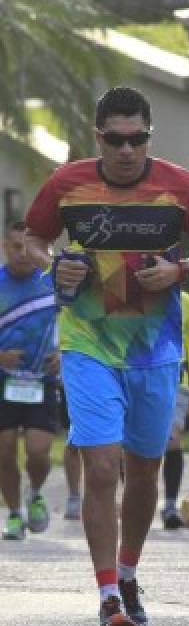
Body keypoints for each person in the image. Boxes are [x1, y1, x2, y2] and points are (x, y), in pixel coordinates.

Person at [24, 86, 189, 626]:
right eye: (115, 139)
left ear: (148, 137)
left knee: (144, 471)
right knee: (102, 467)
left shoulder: (181, 187)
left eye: (137, 139)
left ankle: (131, 573)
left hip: (155, 352)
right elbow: (34, 238)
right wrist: (55, 264)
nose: (126, 149)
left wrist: (180, 272)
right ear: (99, 138)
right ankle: (107, 594)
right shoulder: (67, 184)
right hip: (88, 343)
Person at [0, 221, 60, 540]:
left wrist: (63, 354)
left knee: (39, 451)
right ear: (4, 247)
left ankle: (35, 492)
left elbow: (77, 325)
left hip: (41, 380)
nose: (22, 254)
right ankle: (12, 513)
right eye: (15, 247)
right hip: (3, 382)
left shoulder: (52, 283)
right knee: (5, 450)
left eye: (27, 247)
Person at [158, 290, 189, 529]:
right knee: (131, 443)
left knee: (173, 440)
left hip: (177, 380)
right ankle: (130, 498)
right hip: (142, 377)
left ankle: (170, 504)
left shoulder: (185, 301)